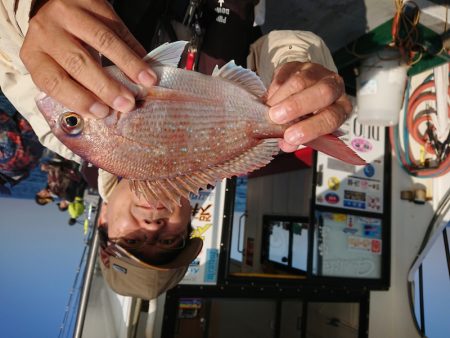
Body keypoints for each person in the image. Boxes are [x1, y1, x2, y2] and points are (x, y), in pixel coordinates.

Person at [0, 0, 352, 299]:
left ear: (103, 220)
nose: (153, 227)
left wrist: (35, 13)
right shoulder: (222, 158)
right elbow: (278, 51)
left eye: (134, 242)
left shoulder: (58, 133)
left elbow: (13, 55)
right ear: (187, 226)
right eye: (170, 242)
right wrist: (296, 71)